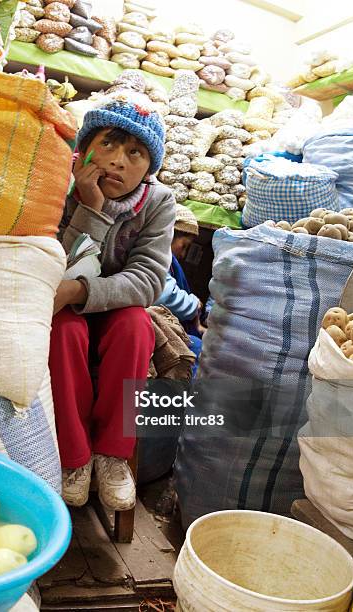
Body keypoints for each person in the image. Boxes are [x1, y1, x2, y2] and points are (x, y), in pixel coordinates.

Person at [49, 92, 175, 512]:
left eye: (135, 152)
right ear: (84, 149)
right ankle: (74, 457)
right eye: (108, 144)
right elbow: (57, 264)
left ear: (149, 168)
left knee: (136, 325)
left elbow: (148, 280)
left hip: (111, 307)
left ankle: (112, 455)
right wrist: (91, 211)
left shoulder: (158, 203)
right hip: (62, 306)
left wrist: (82, 292)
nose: (119, 160)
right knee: (63, 330)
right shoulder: (55, 183)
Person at [154, 205, 205, 375]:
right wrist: (194, 304)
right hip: (152, 321)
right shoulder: (157, 255)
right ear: (169, 235)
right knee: (196, 349)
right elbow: (163, 296)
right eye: (183, 246)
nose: (183, 254)